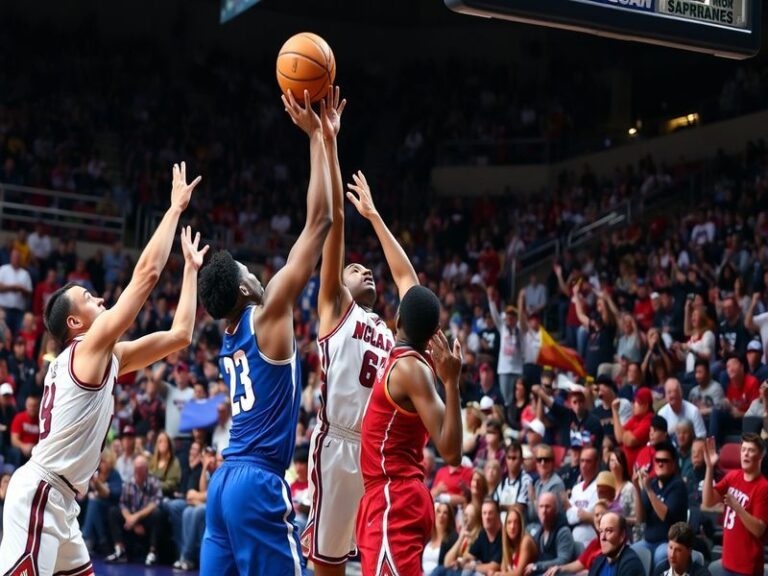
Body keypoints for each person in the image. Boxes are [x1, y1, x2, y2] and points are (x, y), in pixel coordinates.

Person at [0, 164, 203, 576]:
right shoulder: (87, 348)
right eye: (88, 298)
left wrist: (191, 271)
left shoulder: (107, 357)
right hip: (41, 493)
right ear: (74, 324)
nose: (98, 298)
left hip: (64, 502)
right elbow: (144, 276)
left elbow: (181, 334)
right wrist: (173, 210)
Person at [198, 88, 334, 575]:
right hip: (256, 482)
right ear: (241, 286)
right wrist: (318, 138)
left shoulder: (229, 334)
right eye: (244, 269)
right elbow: (321, 221)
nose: (254, 270)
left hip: (223, 482)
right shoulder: (269, 309)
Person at [301, 87, 418, 575]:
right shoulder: (335, 309)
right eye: (353, 268)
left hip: (377, 455)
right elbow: (334, 223)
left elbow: (412, 285)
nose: (363, 270)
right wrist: (328, 142)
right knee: (327, 568)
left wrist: (378, 216)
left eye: (367, 269)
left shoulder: (393, 334)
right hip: (337, 445)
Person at [356, 286, 463, 576]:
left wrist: (452, 383)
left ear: (398, 318)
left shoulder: (410, 369)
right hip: (395, 496)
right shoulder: (410, 365)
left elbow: (452, 453)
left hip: (394, 498)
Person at [703, 433, 768, 576]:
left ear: (760, 457)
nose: (745, 454)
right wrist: (709, 468)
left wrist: (738, 508)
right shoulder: (733, 476)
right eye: (743, 449)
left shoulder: (763, 487)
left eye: (751, 450)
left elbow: (759, 529)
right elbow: (708, 501)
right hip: (727, 562)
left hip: (747, 568)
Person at [634, 441, 689, 569]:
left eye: (664, 461)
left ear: (673, 464)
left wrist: (648, 490)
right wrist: (637, 488)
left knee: (661, 556)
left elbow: (666, 516)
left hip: (670, 543)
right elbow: (640, 519)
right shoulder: (652, 484)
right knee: (631, 553)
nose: (660, 463)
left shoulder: (678, 486)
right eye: (657, 460)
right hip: (647, 541)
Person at [106, 454, 163, 564]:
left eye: (140, 469)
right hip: (131, 519)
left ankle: (153, 552)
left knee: (157, 513)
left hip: (145, 517)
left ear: (146, 470)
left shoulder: (154, 482)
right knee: (113, 511)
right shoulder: (129, 483)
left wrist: (136, 518)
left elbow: (155, 503)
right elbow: (122, 504)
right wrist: (131, 521)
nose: (137, 472)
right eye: (136, 469)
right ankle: (119, 550)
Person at [542, 499, 610, 576]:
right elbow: (579, 564)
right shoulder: (594, 543)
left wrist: (589, 573)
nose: (599, 518)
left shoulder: (612, 543)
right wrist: (558, 568)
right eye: (597, 515)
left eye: (603, 515)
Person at [526, 492, 575, 575]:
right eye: (541, 506)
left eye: (547, 506)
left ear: (556, 510)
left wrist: (537, 566)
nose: (544, 511)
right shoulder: (539, 532)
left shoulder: (563, 531)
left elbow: (563, 561)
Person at [458, 498, 503, 574]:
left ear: (497, 516)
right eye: (484, 513)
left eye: (490, 513)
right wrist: (462, 562)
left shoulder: (503, 536)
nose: (487, 517)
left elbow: (494, 567)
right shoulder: (482, 534)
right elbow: (470, 555)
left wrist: (473, 566)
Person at [496, 505, 537, 576]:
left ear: (520, 525)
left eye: (516, 522)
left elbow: (518, 573)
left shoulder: (526, 541)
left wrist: (499, 574)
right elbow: (503, 569)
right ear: (505, 526)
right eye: (509, 522)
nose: (512, 527)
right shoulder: (507, 544)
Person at [422, 502, 459, 575]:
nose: (441, 515)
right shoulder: (426, 537)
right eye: (438, 511)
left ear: (449, 518)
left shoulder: (453, 538)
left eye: (445, 513)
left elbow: (448, 564)